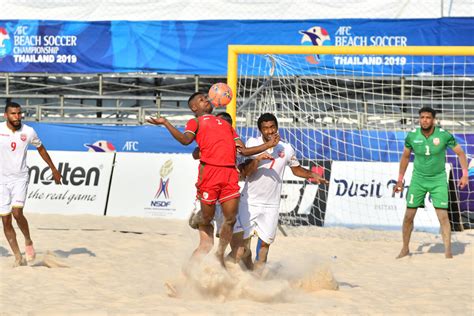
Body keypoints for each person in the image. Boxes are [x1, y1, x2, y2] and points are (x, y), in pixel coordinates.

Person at [147, 93, 273, 266]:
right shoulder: (196, 122)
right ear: (194, 108)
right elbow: (185, 141)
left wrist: (267, 146)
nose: (206, 100)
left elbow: (243, 151)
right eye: (201, 100)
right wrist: (166, 123)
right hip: (210, 174)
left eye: (206, 97)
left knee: (231, 219)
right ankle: (200, 218)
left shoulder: (226, 126)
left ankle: (220, 254)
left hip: (229, 174)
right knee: (207, 219)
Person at [233, 113, 328, 271]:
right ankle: (242, 274)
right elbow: (244, 173)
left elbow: (296, 170)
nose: (270, 131)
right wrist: (257, 159)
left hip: (271, 205)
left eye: (272, 127)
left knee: (264, 247)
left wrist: (312, 175)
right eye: (265, 128)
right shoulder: (252, 144)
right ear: (260, 130)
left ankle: (256, 281)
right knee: (243, 247)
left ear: (277, 127)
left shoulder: (286, 148)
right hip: (249, 202)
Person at [394, 106, 469, 259]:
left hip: (438, 180)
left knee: (442, 216)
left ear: (433, 119)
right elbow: (405, 157)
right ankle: (405, 248)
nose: (424, 120)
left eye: (428, 117)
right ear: (419, 119)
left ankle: (448, 252)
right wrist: (400, 180)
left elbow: (461, 153)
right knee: (409, 215)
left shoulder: (443, 135)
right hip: (418, 180)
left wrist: (465, 174)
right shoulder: (412, 136)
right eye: (422, 117)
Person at [1, 102, 62, 267]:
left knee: (17, 213)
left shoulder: (28, 131)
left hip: (20, 177)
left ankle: (28, 240)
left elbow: (41, 148)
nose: (17, 116)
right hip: (1, 180)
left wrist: (54, 169)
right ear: (5, 115)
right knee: (5, 221)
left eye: (19, 113)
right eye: (13, 114)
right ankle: (17, 257)